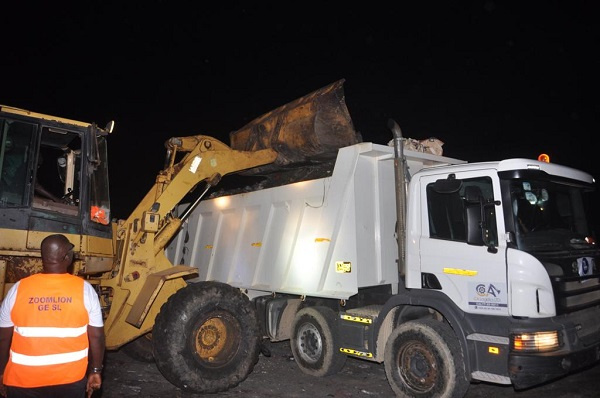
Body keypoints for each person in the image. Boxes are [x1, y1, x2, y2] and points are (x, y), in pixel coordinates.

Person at [0, 234, 105, 398]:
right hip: (70, 381)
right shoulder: (85, 290)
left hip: (22, 380)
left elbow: (3, 338)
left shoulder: (17, 289)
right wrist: (95, 370)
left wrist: (1, 372)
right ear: (67, 257)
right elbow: (97, 337)